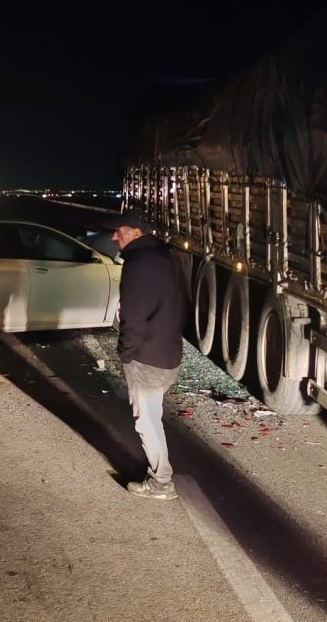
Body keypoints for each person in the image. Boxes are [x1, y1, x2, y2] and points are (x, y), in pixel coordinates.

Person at [102, 212, 187, 500]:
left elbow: (133, 319)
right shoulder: (166, 259)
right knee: (153, 416)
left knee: (147, 420)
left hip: (147, 359)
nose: (115, 236)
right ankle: (161, 477)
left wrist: (126, 354)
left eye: (120, 231)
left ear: (136, 233)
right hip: (167, 352)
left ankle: (161, 482)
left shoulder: (138, 265)